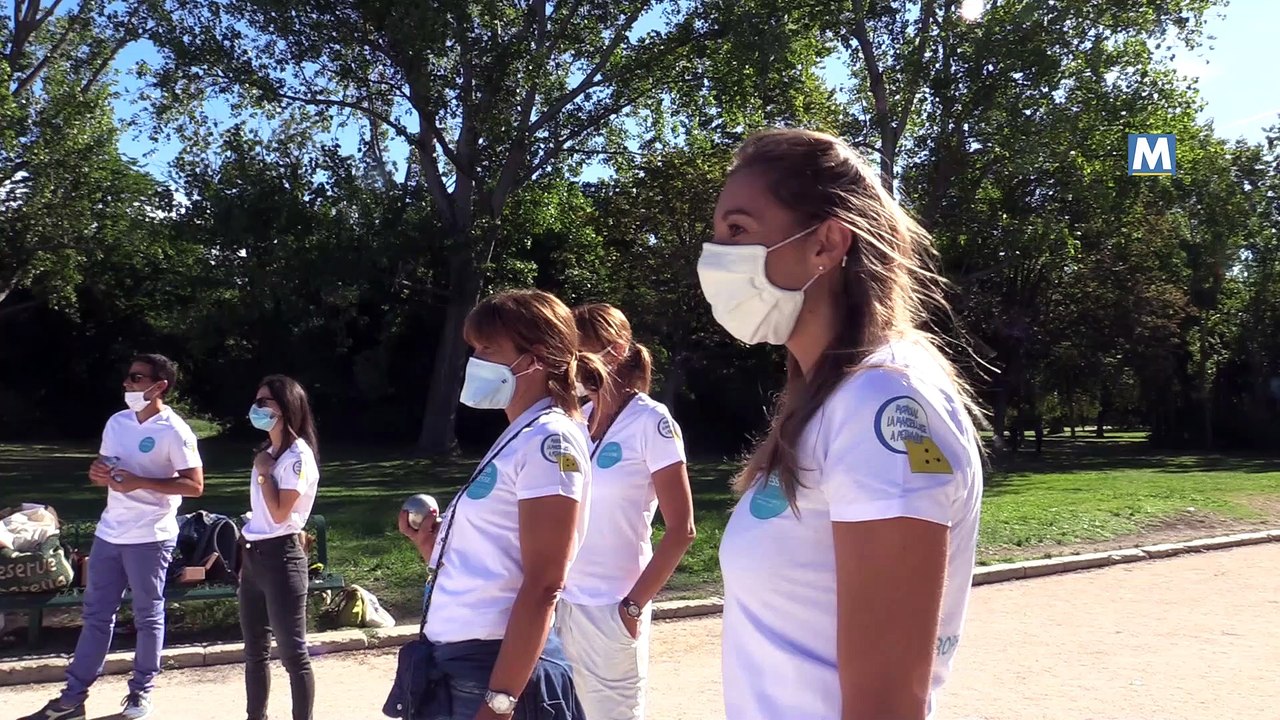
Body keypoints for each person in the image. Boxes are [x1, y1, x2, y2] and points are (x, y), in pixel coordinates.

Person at [702, 129, 985, 720]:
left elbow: (888, 702)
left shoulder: (880, 402)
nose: (715, 256)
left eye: (738, 230)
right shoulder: (827, 403)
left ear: (826, 244)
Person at [391, 289, 603, 720]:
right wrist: (433, 547)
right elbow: (500, 560)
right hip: (462, 661)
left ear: (535, 357)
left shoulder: (550, 439)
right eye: (474, 348)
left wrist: (500, 700)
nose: (475, 359)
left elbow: (546, 582)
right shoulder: (522, 436)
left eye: (488, 348)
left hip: (490, 668)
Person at [22, 354, 205, 720]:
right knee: (95, 616)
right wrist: (97, 473)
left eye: (137, 379)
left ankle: (140, 696)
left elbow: (195, 485)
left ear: (159, 386)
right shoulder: (117, 423)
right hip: (110, 532)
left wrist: (142, 483)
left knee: (147, 616)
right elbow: (103, 471)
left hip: (151, 536)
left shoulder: (174, 430)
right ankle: (73, 699)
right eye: (128, 378)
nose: (128, 384)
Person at [555, 303, 696, 720]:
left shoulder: (652, 421)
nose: (569, 364)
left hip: (611, 609)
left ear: (615, 352)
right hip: (559, 603)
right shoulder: (576, 419)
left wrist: (631, 608)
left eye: (578, 352)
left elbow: (682, 529)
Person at [238, 375, 321, 720]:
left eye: (264, 402)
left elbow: (280, 512)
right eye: (256, 401)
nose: (256, 408)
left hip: (282, 558)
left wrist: (263, 474)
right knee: (254, 651)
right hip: (254, 556)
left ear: (285, 408)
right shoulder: (268, 454)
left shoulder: (297, 457)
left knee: (293, 654)